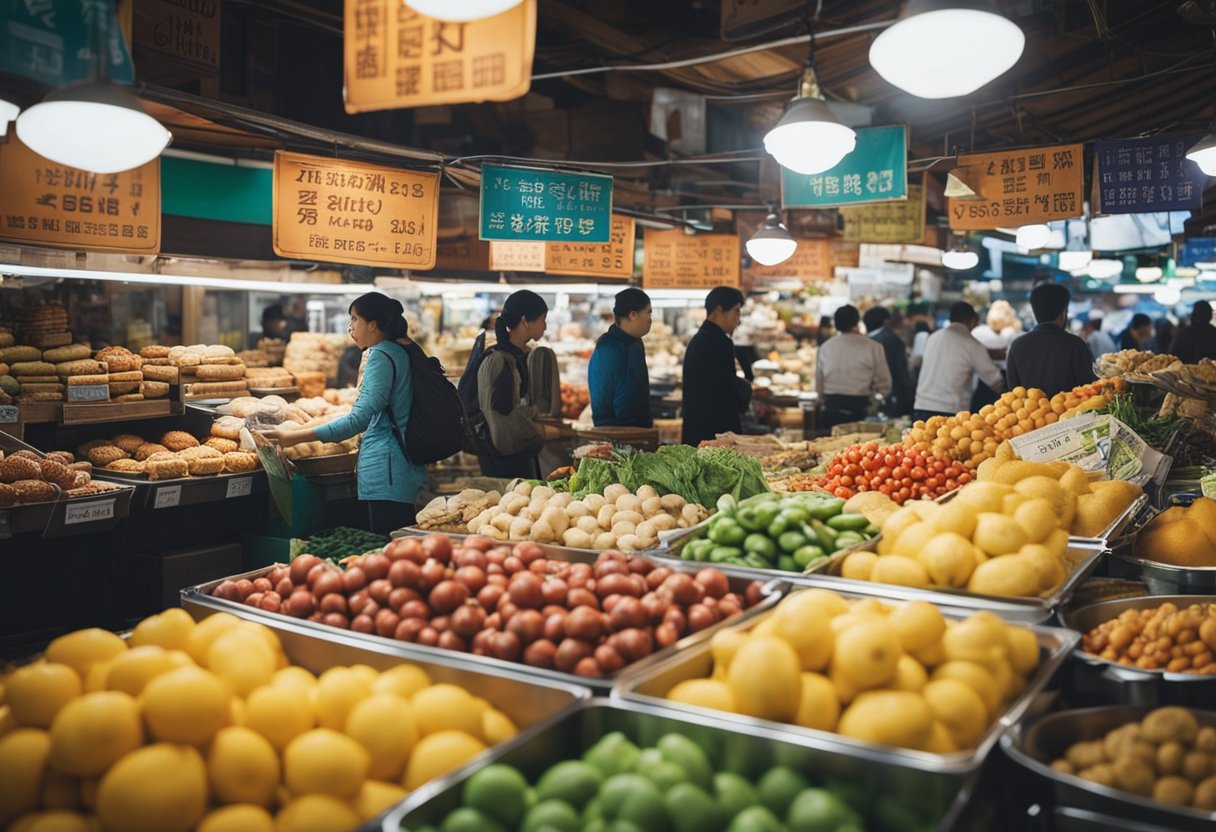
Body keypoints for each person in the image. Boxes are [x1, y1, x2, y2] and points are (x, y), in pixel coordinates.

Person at [265, 293, 424, 535]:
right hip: (396, 468)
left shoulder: (381, 356)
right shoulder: (396, 351)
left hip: (388, 472)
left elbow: (356, 420)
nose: (350, 327)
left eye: (354, 319)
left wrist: (293, 437)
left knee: (388, 547)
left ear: (372, 324)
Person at [465, 291, 550, 479]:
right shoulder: (499, 360)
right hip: (503, 461)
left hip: (510, 457)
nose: (545, 325)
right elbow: (501, 418)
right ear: (525, 321)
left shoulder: (513, 355)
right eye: (543, 319)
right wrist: (537, 426)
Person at [681, 286, 751, 446]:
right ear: (719, 310)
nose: (738, 319)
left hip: (698, 433)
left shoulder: (700, 339)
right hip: (714, 436)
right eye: (736, 311)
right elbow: (726, 390)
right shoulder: (719, 342)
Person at [913, 302, 1005, 422]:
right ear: (974, 320)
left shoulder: (933, 338)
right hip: (950, 413)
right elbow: (995, 380)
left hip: (921, 407)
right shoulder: (971, 344)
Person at [1006, 283, 1096, 397]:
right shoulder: (1076, 344)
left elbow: (1013, 393)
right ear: (1064, 312)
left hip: (1031, 415)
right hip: (1072, 414)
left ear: (1035, 312)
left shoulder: (1017, 346)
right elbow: (1090, 389)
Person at [816, 304, 891, 430]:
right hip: (860, 412)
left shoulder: (825, 347)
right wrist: (875, 400)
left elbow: (819, 385)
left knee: (827, 447)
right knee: (858, 449)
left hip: (830, 411)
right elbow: (885, 384)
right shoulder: (873, 347)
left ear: (836, 324)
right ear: (857, 322)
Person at [588, 288, 653, 427]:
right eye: (648, 313)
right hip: (618, 438)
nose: (650, 320)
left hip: (638, 433)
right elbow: (602, 403)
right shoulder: (608, 348)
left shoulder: (635, 342)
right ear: (633, 315)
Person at [863, 306, 911, 417]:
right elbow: (901, 372)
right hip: (892, 395)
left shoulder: (875, 340)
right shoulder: (891, 339)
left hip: (886, 397)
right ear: (885, 321)